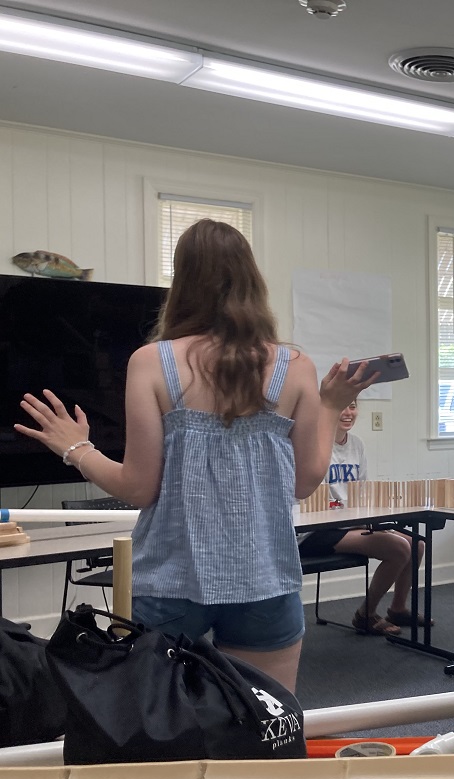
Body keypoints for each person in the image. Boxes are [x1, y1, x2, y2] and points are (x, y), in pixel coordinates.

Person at [14, 219, 371, 693]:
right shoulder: (297, 367)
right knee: (263, 728)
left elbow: (138, 487)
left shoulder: (151, 361)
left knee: (158, 731)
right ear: (252, 280)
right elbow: (305, 481)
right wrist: (328, 405)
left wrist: (76, 448)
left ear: (181, 282)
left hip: (169, 582)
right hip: (265, 580)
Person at [298, 400, 428, 635]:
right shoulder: (313, 446)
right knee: (399, 548)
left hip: (351, 524)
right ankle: (365, 615)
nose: (348, 413)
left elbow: (362, 493)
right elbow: (307, 500)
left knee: (416, 544)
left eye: (353, 406)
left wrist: (368, 517)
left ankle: (397, 609)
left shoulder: (356, 445)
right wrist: (354, 517)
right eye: (342, 406)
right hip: (315, 531)